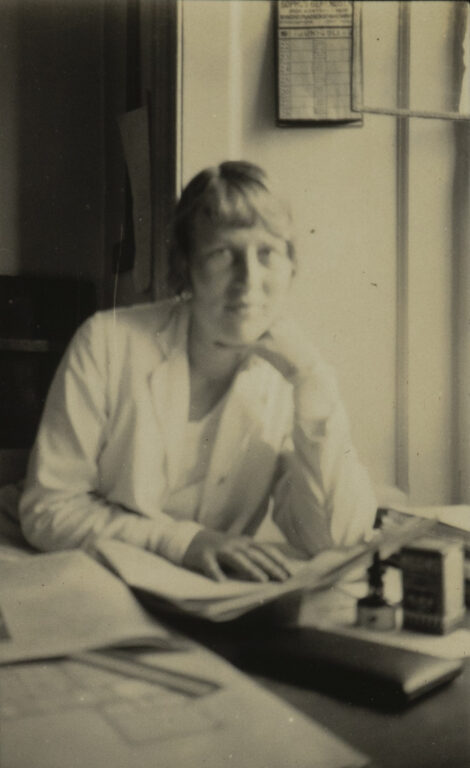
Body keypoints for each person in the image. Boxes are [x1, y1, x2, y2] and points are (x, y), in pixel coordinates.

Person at [19, 161, 377, 582]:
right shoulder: (107, 342)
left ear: (291, 265)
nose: (249, 280)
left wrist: (313, 381)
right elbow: (48, 510)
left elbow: (336, 539)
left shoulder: (291, 378)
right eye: (223, 253)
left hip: (208, 596)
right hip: (92, 577)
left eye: (267, 253)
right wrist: (180, 542)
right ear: (185, 264)